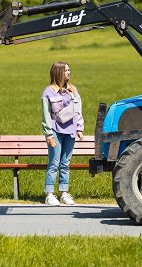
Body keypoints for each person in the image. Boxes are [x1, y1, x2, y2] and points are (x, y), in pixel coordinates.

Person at [41, 61, 84, 206]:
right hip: (55, 130)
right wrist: (49, 134)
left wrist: (79, 128)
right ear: (58, 72)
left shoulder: (73, 90)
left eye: (69, 70)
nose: (69, 73)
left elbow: (78, 111)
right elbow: (46, 115)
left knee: (65, 164)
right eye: (66, 70)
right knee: (54, 163)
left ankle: (64, 193)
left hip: (70, 130)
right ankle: (49, 194)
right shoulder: (48, 92)